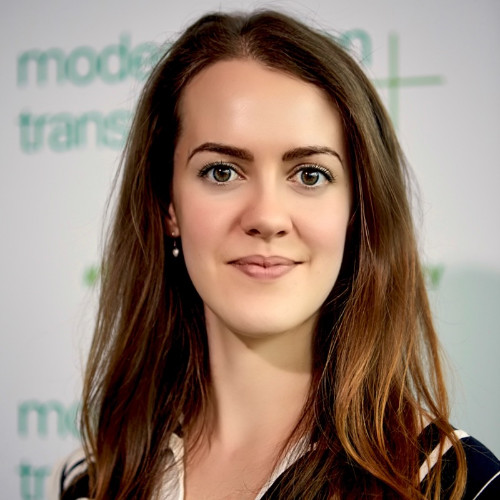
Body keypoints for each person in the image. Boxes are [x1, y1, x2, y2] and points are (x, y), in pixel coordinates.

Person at [49, 9, 500, 500]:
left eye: (309, 175)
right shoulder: (88, 480)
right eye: (221, 172)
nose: (266, 216)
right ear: (168, 205)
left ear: (356, 211)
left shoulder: (455, 484)